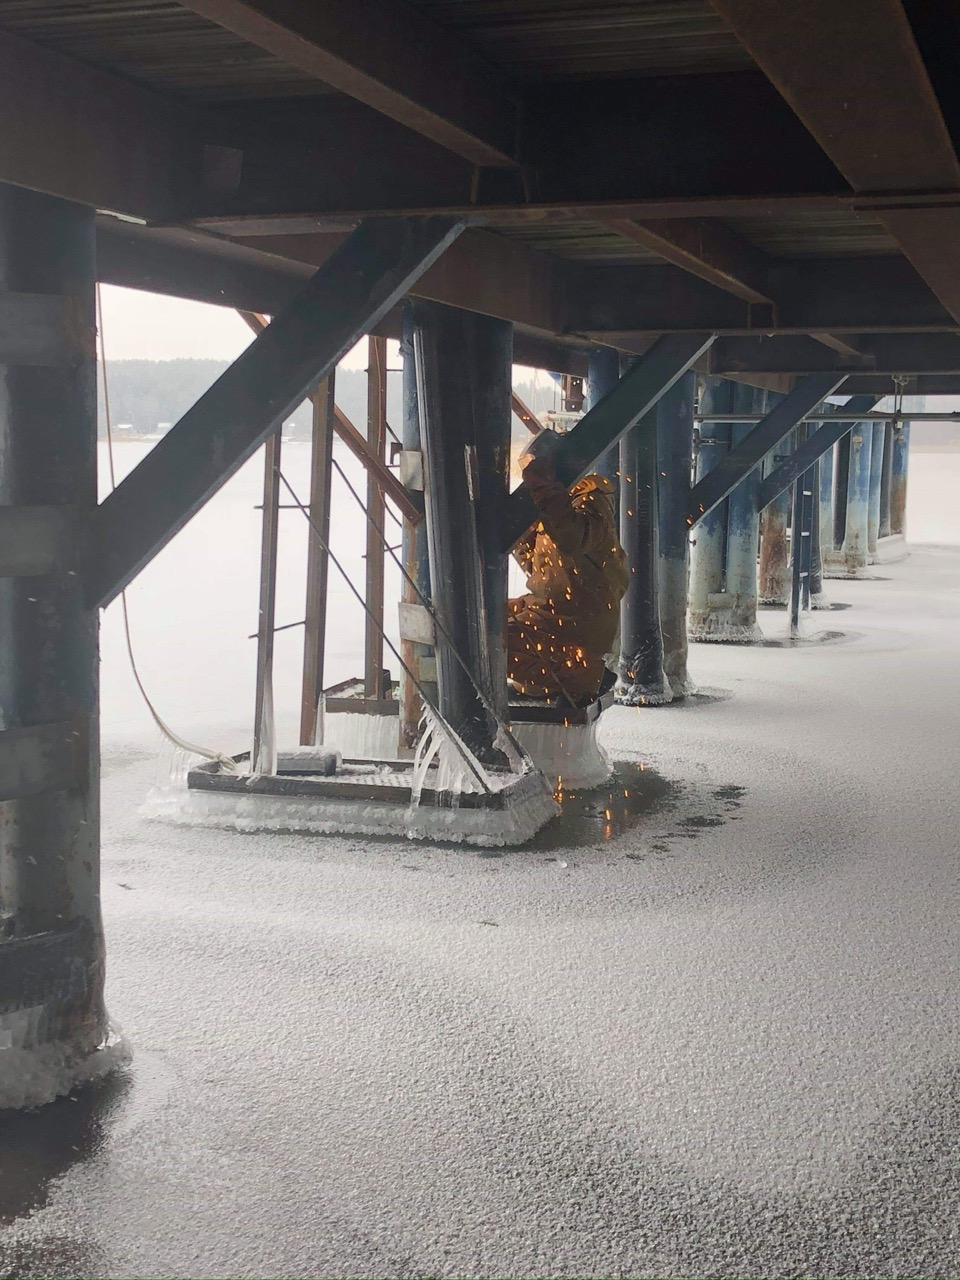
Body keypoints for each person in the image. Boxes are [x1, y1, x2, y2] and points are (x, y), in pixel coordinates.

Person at [508, 431, 628, 705]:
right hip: (551, 606)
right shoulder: (553, 504)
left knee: (491, 638)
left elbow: (573, 538)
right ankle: (542, 681)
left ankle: (586, 675)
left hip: (577, 616)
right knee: (482, 618)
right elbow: (538, 566)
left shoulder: (589, 498)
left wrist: (544, 492)